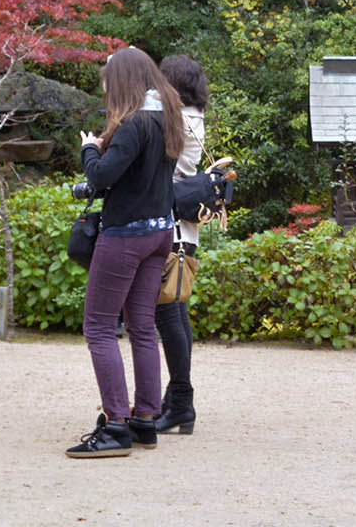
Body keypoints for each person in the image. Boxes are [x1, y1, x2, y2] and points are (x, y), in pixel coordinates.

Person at [66, 47, 185, 459]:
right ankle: (145, 419)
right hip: (160, 233)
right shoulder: (165, 118)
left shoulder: (133, 124)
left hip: (126, 236)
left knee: (99, 327)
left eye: (107, 82)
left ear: (122, 84)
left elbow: (101, 176)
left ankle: (115, 425)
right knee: (142, 326)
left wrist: (89, 148)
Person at [152, 53, 207, 436]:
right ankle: (177, 399)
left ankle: (181, 400)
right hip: (185, 232)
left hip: (169, 230)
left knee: (168, 315)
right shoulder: (195, 116)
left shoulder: (177, 121)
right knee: (178, 314)